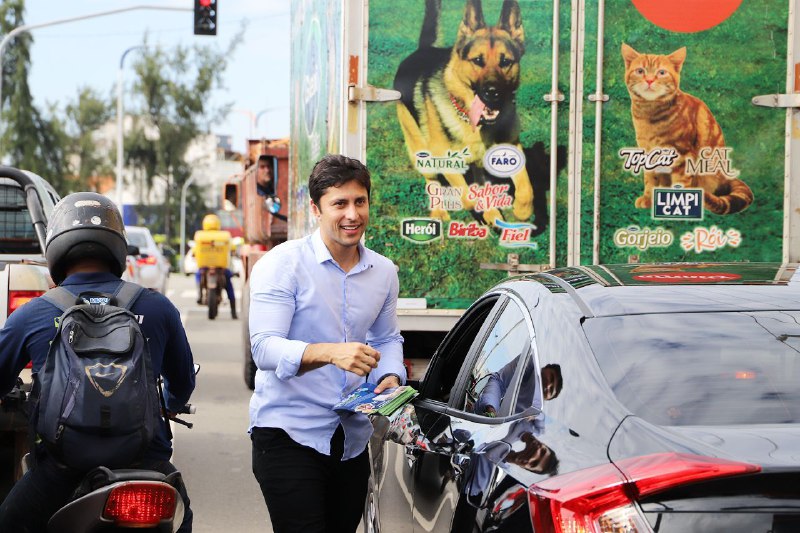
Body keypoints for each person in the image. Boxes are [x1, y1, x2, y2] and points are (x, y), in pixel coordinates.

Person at [0, 192, 196, 532]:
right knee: (181, 520)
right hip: (145, 462)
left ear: (56, 247)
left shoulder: (33, 313)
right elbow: (182, 383)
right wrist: (172, 403)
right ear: (116, 245)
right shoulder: (157, 307)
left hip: (61, 470)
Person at [248, 154, 406, 533]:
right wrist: (330, 352)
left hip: (351, 438)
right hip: (287, 432)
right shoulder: (282, 264)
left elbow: (387, 336)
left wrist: (390, 376)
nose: (352, 214)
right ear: (317, 209)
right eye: (340, 204)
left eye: (360, 202)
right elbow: (264, 348)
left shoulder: (383, 272)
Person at [193, 213, 237, 319]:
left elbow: (195, 251)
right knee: (229, 286)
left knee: (198, 275)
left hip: (204, 268)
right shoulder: (225, 235)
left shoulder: (199, 235)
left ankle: (199, 294)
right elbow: (232, 248)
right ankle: (233, 312)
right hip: (221, 269)